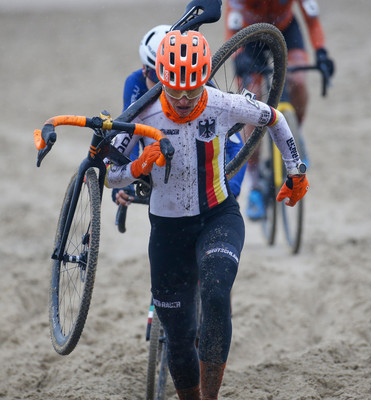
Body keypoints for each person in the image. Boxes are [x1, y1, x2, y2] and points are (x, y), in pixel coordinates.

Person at [105, 30, 308, 400]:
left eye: (192, 90)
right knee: (179, 337)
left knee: (216, 291)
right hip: (167, 231)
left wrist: (296, 172)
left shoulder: (221, 102)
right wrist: (137, 166)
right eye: (174, 90)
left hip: (218, 216)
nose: (183, 99)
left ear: (204, 80)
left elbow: (274, 118)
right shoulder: (141, 114)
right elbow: (108, 173)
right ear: (160, 80)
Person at [113, 25, 247, 207]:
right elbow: (128, 136)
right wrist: (124, 184)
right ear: (144, 70)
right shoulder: (134, 83)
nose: (165, 85)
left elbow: (235, 146)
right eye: (156, 75)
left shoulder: (200, 83)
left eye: (180, 77)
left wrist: (231, 190)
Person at [225, 0, 334, 220]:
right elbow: (232, 23)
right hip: (250, 35)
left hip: (285, 28)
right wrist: (237, 55)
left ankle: (295, 133)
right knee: (252, 101)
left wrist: (321, 52)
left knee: (298, 80)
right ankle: (254, 185)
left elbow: (311, 18)